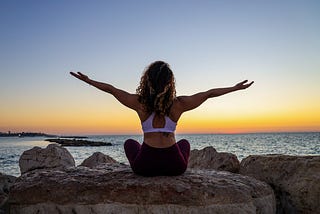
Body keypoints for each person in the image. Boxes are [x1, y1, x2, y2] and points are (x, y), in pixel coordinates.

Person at [70, 61, 253, 176]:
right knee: (185, 144)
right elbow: (209, 93)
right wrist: (235, 88)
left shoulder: (140, 103)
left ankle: (146, 152)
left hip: (145, 167)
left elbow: (111, 89)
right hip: (175, 167)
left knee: (129, 143)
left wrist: (89, 81)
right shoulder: (179, 104)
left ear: (146, 81)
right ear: (170, 83)